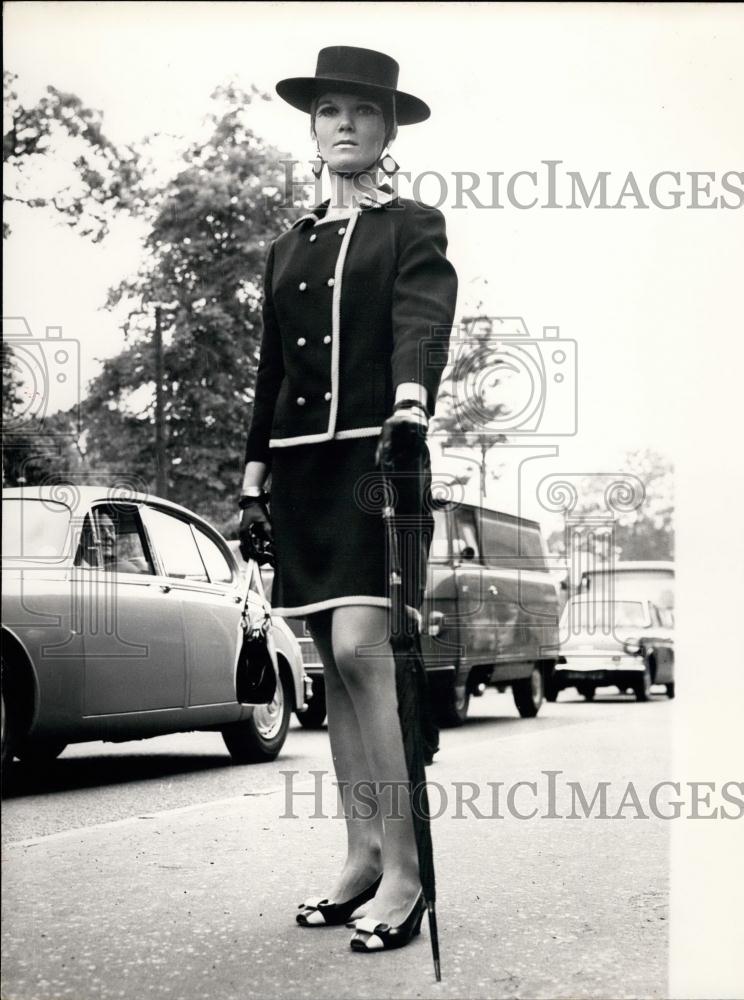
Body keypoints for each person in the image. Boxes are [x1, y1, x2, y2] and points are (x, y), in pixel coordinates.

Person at [238, 45, 457, 955]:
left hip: (378, 456)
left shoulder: (411, 224)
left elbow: (421, 320)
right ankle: (361, 854)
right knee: (333, 662)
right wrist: (252, 478)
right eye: (328, 110)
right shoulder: (287, 244)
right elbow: (270, 371)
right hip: (300, 473)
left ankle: (407, 875)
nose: (343, 125)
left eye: (361, 112)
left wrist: (410, 399)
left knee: (371, 655)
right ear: (314, 127)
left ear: (388, 128)